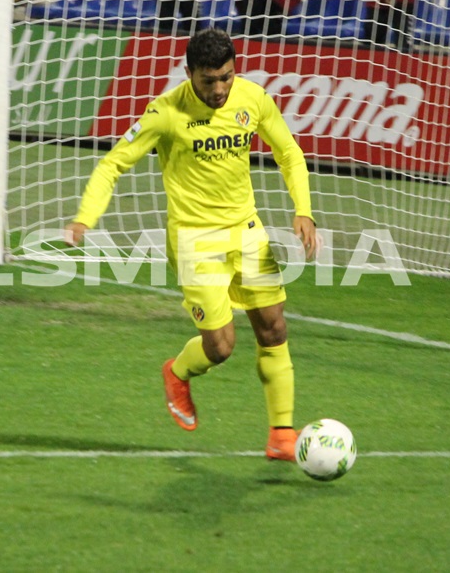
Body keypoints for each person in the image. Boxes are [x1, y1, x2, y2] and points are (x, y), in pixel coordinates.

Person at [64, 29, 319, 461]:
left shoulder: (252, 98)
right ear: (188, 74)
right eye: (208, 81)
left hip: (247, 231)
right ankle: (177, 371)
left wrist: (304, 209)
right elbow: (112, 164)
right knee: (220, 347)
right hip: (194, 242)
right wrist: (85, 217)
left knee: (273, 326)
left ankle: (282, 434)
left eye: (226, 77)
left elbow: (289, 152)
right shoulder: (165, 113)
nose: (219, 89)